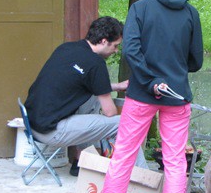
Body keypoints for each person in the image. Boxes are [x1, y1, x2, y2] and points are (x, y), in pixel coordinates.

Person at [89, 0, 204, 193]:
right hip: (176, 97)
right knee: (176, 163)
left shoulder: (140, 8)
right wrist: (172, 71)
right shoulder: (191, 13)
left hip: (142, 94)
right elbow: (196, 61)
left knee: (124, 156)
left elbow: (131, 52)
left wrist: (150, 81)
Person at [24, 16, 148, 176]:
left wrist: (117, 86)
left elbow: (74, 83)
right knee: (124, 123)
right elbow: (110, 112)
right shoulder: (96, 64)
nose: (116, 50)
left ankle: (81, 161)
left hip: (32, 124)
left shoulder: (67, 48)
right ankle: (143, 177)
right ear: (104, 41)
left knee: (93, 98)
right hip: (51, 132)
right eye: (116, 45)